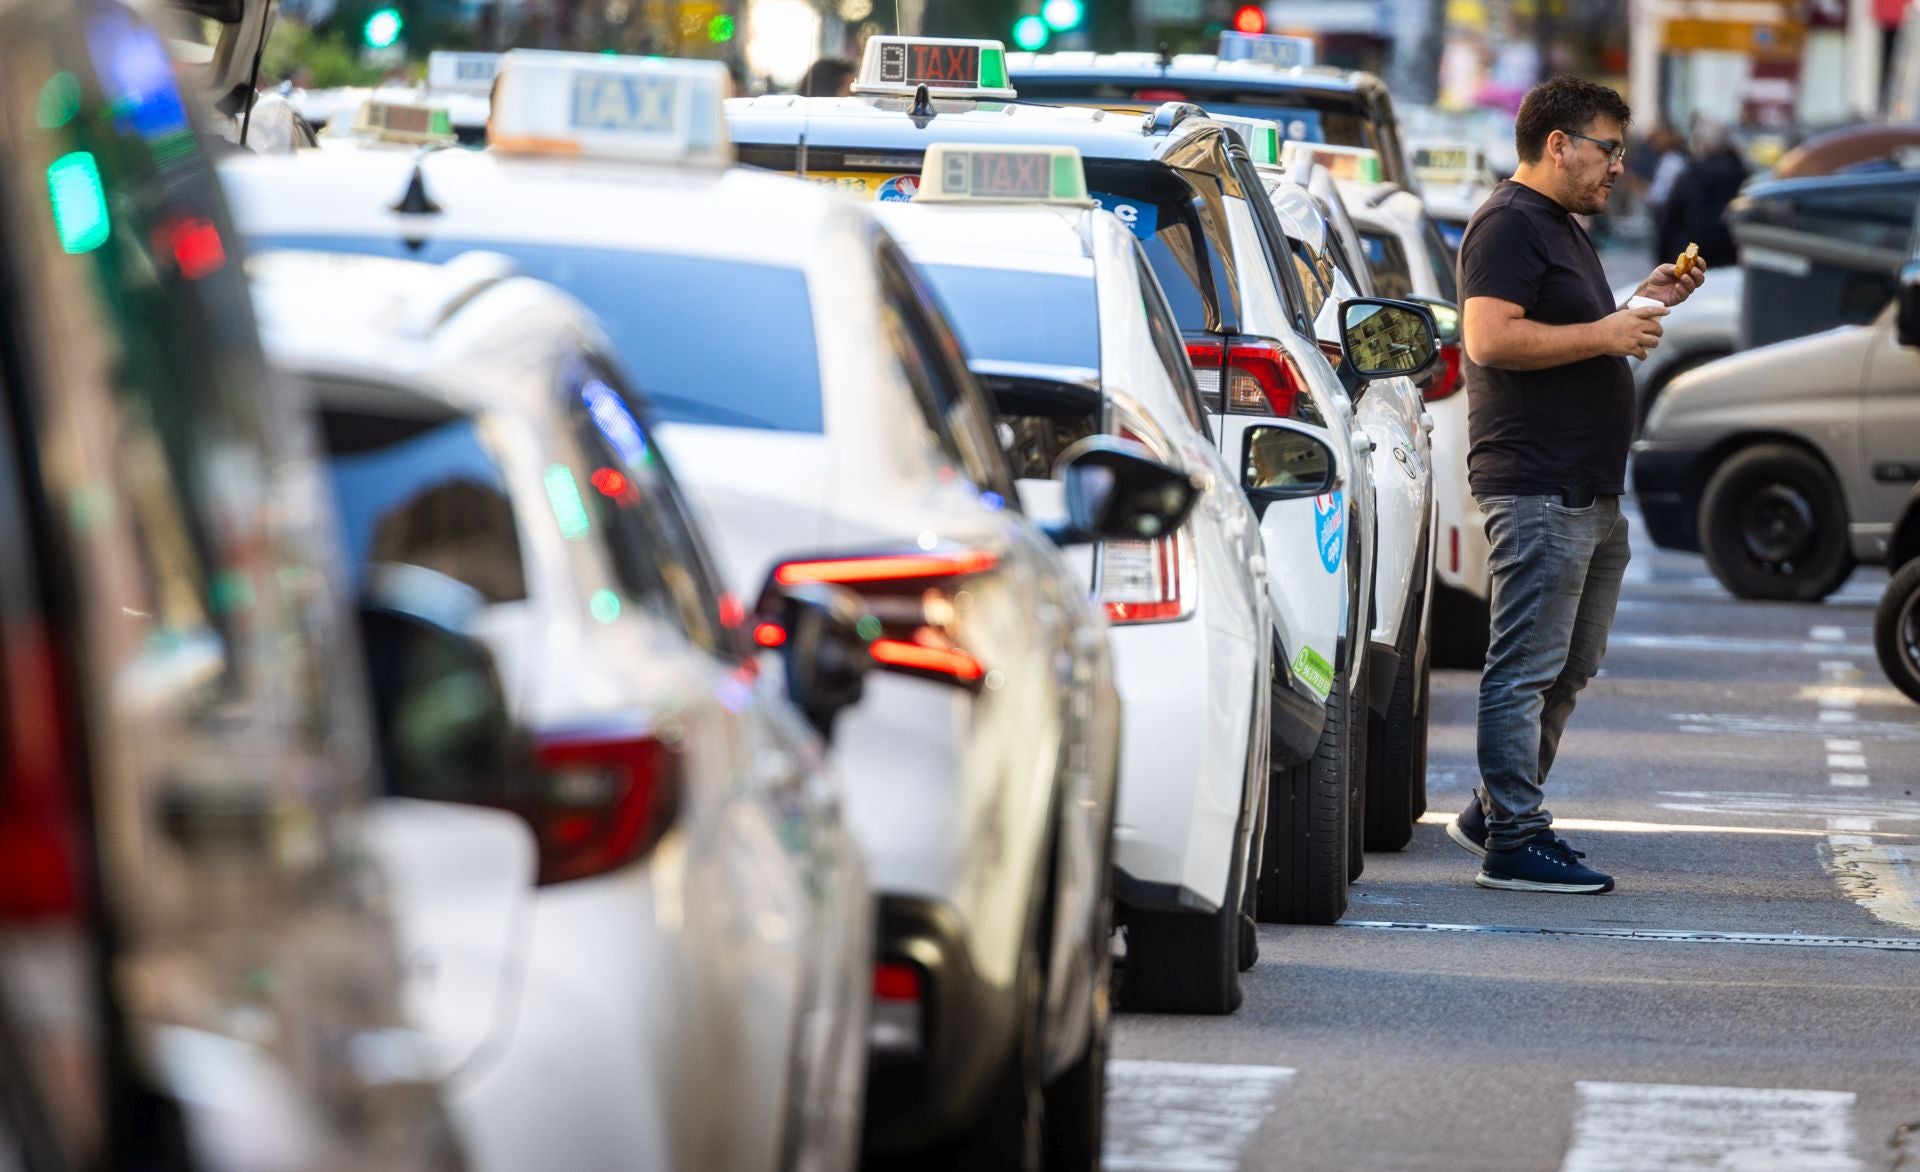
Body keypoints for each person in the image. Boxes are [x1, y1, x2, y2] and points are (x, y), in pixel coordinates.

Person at [1448, 75, 1704, 894]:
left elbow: (1577, 335)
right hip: (1537, 483)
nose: (1618, 168)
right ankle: (1514, 840)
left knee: (1569, 663)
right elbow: (1489, 341)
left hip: (1587, 486)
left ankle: (1496, 808)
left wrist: (1641, 303)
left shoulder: (1558, 225)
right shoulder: (1508, 224)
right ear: (1557, 144)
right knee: (1524, 665)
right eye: (1607, 149)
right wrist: (1606, 330)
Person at [1658, 118, 1747, 269]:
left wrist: (1662, 259)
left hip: (1688, 259)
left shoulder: (1689, 175)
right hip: (1728, 260)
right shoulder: (1740, 175)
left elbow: (1670, 219)